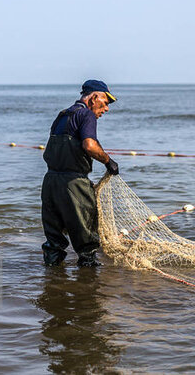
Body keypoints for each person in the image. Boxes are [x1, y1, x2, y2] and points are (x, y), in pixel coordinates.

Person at [41, 79, 119, 267]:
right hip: (74, 184)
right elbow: (89, 145)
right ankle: (87, 289)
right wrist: (109, 161)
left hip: (50, 183)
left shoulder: (62, 115)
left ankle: (52, 283)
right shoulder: (86, 115)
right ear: (93, 98)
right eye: (105, 102)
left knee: (54, 240)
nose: (106, 109)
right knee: (86, 242)